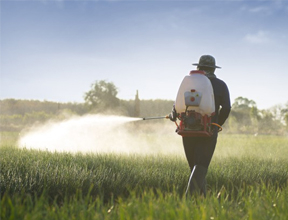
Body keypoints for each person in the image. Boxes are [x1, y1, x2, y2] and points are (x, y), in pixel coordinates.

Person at [169, 55, 231, 197]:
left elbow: (177, 105)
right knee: (200, 167)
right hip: (208, 130)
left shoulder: (189, 83)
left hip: (187, 130)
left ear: (198, 67)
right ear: (213, 69)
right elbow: (226, 108)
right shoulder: (220, 85)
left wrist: (174, 114)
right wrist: (216, 124)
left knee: (194, 167)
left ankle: (202, 202)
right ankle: (188, 201)